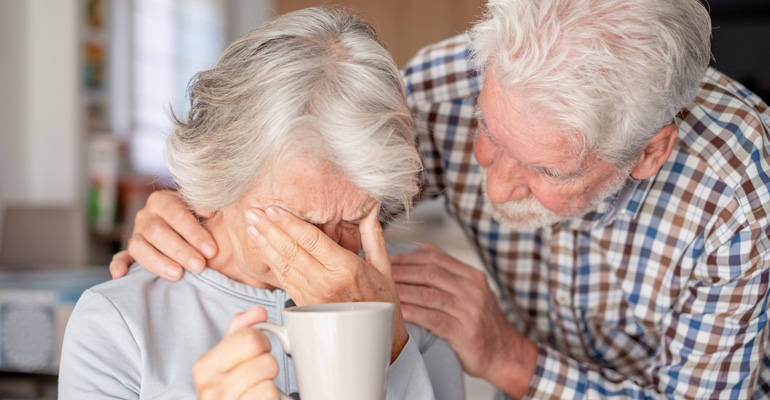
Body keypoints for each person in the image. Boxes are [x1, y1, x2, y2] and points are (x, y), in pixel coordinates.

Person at [111, 0, 770, 398]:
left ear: (649, 153)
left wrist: (508, 357)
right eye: (489, 132)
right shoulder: (449, 83)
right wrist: (199, 204)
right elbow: (310, 164)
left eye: (543, 167)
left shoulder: (740, 196)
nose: (496, 180)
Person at [59, 7, 465, 400]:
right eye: (300, 220)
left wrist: (388, 349)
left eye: (355, 218)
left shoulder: (421, 313)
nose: (334, 257)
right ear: (218, 178)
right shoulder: (117, 324)